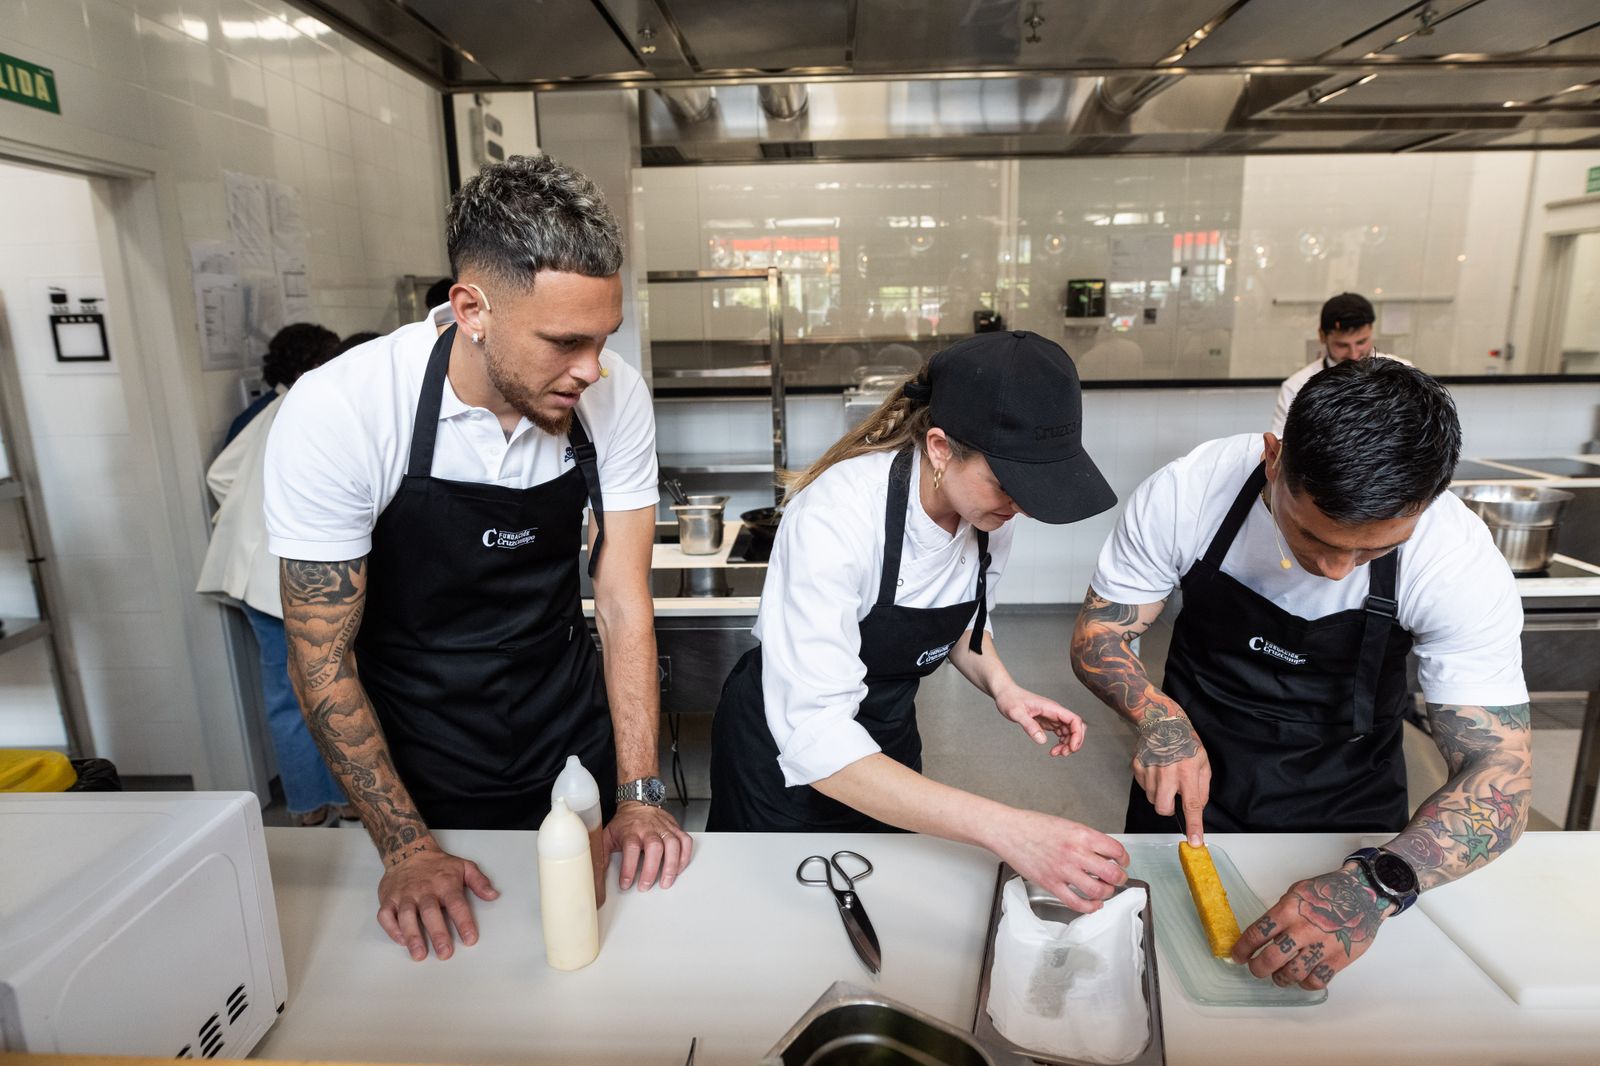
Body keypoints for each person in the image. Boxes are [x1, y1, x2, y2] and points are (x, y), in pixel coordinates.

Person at [263, 155, 692, 962]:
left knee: (600, 952)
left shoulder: (611, 395)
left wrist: (637, 793)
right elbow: (318, 660)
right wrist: (405, 849)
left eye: (603, 338)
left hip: (567, 732)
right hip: (421, 752)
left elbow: (625, 599)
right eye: (565, 342)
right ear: (471, 309)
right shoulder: (345, 409)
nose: (591, 368)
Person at [1071, 358, 1530, 988]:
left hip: (1347, 807)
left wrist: (1375, 885)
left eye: (1372, 550)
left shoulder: (1455, 559)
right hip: (1188, 782)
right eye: (1312, 536)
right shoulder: (1190, 493)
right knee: (1158, 978)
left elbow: (1500, 776)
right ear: (1273, 459)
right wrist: (1157, 717)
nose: (1337, 570)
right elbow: (1101, 634)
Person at [709, 331, 1132, 912]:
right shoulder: (836, 517)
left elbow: (960, 618)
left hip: (887, 737)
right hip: (785, 752)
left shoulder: (989, 515)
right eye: (1009, 483)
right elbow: (818, 739)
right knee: (781, 918)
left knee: (884, 896)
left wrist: (1003, 688)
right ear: (939, 447)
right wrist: (1008, 830)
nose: (1022, 507)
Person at [198, 323, 347, 826]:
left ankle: (307, 807)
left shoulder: (261, 412)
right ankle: (348, 801)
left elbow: (220, 475)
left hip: (255, 580)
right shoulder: (318, 406)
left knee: (288, 696)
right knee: (337, 688)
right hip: (295, 576)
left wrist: (249, 524)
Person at [1270, 292, 1410, 435]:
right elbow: (1283, 448)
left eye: (1361, 342)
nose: (1354, 355)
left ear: (1371, 331)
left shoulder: (1402, 373)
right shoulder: (1295, 388)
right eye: (1342, 345)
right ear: (1322, 336)